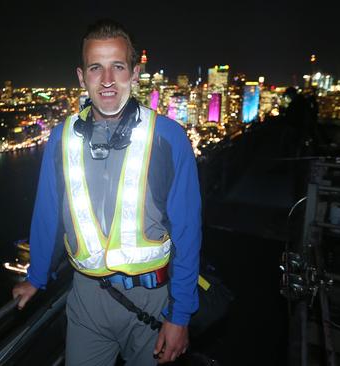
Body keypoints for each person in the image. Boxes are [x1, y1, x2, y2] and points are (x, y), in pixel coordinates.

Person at [12, 19, 201, 365]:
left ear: (134, 73)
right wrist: (36, 277)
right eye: (96, 68)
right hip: (86, 296)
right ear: (82, 78)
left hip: (153, 298)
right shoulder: (61, 137)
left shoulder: (169, 137)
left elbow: (188, 233)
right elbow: (48, 214)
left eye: (118, 66)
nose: (108, 80)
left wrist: (181, 315)